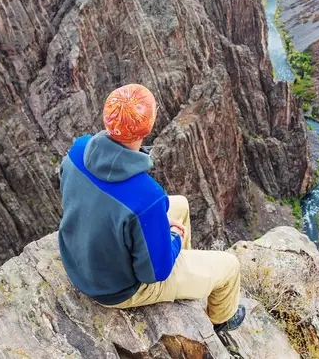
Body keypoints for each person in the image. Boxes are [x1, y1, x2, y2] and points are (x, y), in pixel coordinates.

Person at [58, 84, 245, 332]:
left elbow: (91, 201)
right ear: (146, 129)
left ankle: (185, 267)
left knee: (180, 205)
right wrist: (174, 238)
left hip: (79, 259)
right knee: (230, 267)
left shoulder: (77, 150)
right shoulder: (147, 197)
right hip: (117, 289)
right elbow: (156, 273)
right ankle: (221, 320)